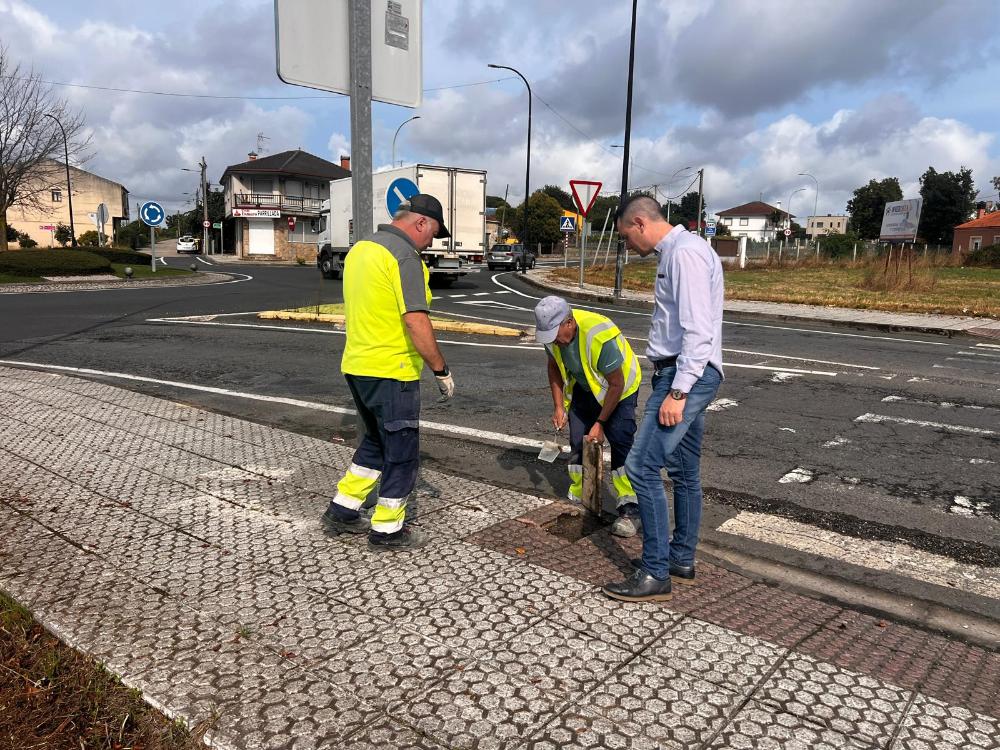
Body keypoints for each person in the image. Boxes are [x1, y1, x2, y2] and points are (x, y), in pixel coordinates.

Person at [602, 195, 724, 602]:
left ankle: (655, 572)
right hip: (687, 371)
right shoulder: (684, 251)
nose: (628, 246)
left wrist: (678, 390)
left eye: (625, 236)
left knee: (641, 467)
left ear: (639, 222)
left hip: (684, 373)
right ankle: (679, 558)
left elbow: (698, 331)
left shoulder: (684, 255)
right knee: (685, 471)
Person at [320, 194, 455, 551]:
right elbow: (415, 320)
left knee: (375, 443)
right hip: (392, 370)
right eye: (433, 234)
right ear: (420, 223)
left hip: (357, 366)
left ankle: (343, 509)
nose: (430, 243)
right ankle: (387, 530)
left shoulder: (361, 250)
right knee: (402, 451)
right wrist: (440, 369)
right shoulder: (404, 257)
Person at [534, 296, 642, 535]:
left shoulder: (598, 336)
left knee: (621, 442)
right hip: (585, 388)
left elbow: (616, 384)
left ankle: (630, 507)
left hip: (619, 391)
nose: (553, 341)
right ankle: (583, 494)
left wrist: (601, 423)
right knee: (577, 441)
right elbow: (553, 367)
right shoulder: (552, 337)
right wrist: (559, 406)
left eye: (555, 334)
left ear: (569, 323)